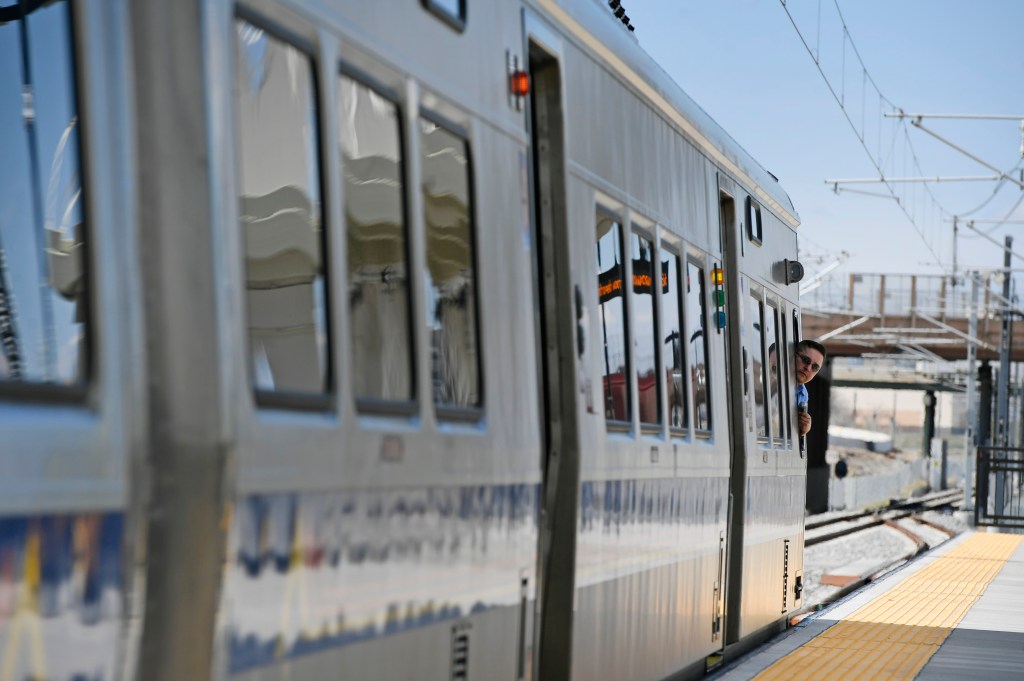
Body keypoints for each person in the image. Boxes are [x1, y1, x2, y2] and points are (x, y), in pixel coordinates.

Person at [795, 339, 827, 436]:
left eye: (815, 367)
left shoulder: (803, 394)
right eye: (805, 360)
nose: (808, 368)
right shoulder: (773, 379)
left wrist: (803, 430)